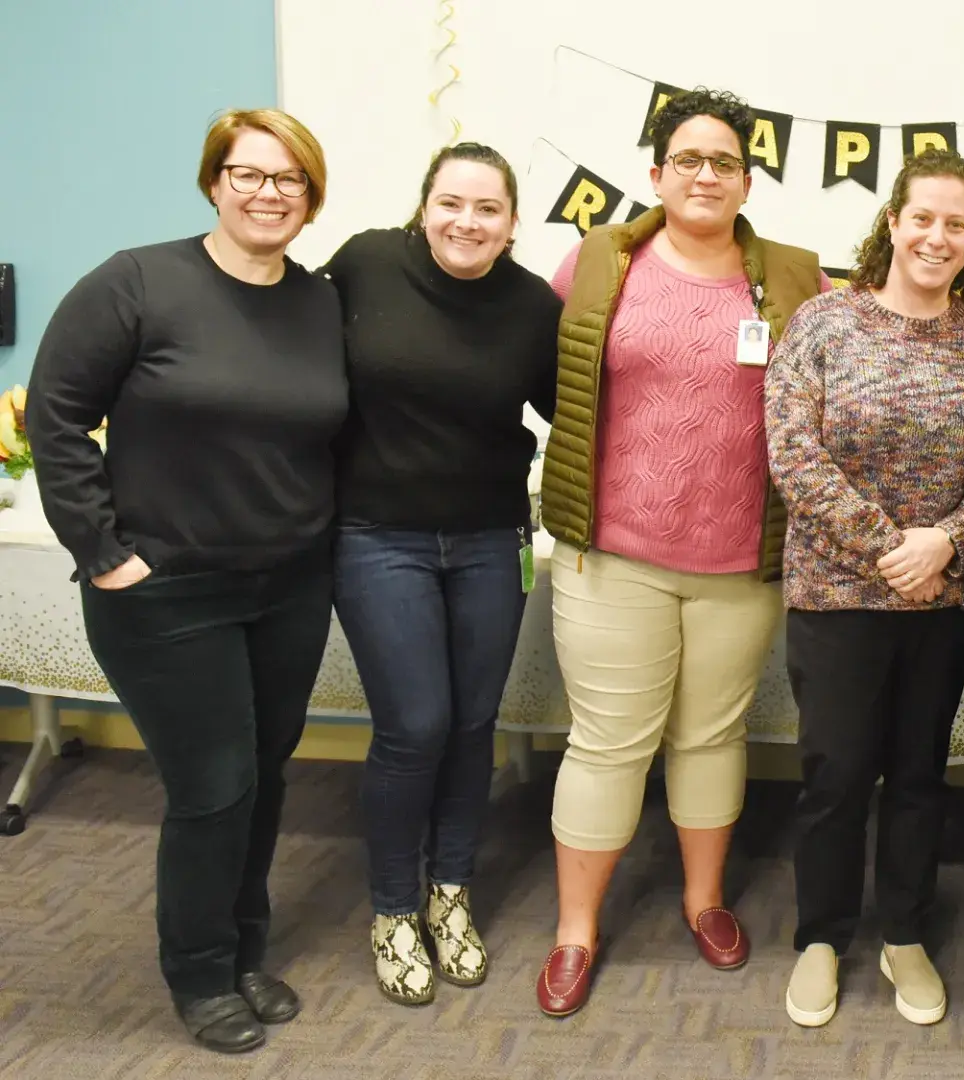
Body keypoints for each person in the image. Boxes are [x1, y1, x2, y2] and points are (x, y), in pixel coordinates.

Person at [24, 108, 347, 1053]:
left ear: (310, 197)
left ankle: (245, 947)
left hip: (288, 586)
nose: (267, 193)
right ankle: (200, 972)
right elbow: (56, 417)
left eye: (289, 179)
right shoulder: (137, 281)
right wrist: (103, 553)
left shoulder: (319, 301)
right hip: (165, 592)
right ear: (214, 182)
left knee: (263, 778)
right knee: (213, 785)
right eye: (249, 174)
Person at [534, 86, 829, 1018]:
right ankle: (576, 931)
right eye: (688, 159)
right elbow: (544, 375)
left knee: (710, 736)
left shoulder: (790, 276)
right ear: (655, 174)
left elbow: (830, 384)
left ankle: (705, 902)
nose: (707, 174)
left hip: (741, 565)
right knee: (609, 743)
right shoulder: (596, 261)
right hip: (612, 558)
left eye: (726, 162)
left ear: (748, 181)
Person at [765, 148, 964, 1030]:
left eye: (956, 223)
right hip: (836, 599)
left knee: (917, 774)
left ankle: (905, 931)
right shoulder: (825, 325)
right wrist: (886, 550)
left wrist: (945, 541)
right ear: (893, 223)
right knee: (835, 775)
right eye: (924, 217)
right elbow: (794, 455)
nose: (937, 236)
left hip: (943, 602)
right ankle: (822, 937)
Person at [320, 143, 561, 1005]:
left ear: (511, 222)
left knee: (471, 724)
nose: (467, 222)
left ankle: (448, 895)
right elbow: (292, 354)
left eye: (487, 209)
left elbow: (574, 413)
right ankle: (391, 909)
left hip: (493, 538)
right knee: (415, 724)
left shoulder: (533, 305)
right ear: (423, 207)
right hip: (378, 535)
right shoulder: (365, 263)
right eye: (451, 203)